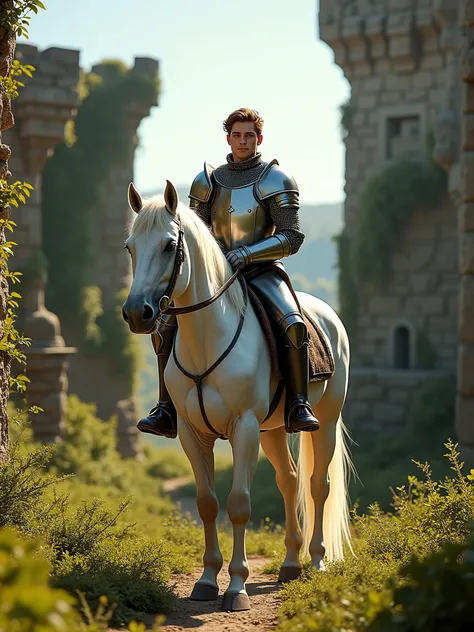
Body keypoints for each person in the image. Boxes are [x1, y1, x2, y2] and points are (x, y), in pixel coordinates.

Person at [137, 107, 319, 439]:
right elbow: (194, 233)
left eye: (249, 135)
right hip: (215, 276)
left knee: (292, 323)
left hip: (262, 271)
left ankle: (297, 402)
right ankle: (165, 407)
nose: (243, 141)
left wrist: (248, 253)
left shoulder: (276, 179)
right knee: (164, 326)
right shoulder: (207, 182)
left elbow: (292, 236)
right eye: (237, 135)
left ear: (259, 139)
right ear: (228, 138)